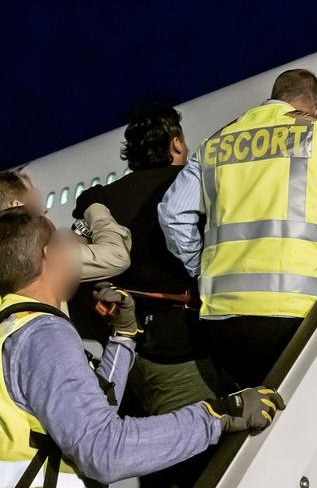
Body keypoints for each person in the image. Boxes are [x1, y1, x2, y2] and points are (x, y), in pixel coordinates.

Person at [0, 207, 285, 487]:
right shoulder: (42, 335)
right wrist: (216, 415)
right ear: (51, 256)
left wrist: (123, 336)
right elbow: (104, 451)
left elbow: (90, 414)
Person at [159, 69, 317, 388]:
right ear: (316, 106)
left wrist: (197, 266)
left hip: (220, 321)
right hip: (295, 313)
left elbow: (173, 213)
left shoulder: (214, 144)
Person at [71, 104, 226, 487]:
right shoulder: (188, 186)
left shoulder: (103, 200)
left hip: (127, 358)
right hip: (180, 355)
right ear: (175, 143)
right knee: (199, 461)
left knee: (151, 461)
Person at [0, 169, 132, 343]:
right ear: (17, 205)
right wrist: (95, 207)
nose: (44, 209)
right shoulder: (27, 251)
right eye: (34, 198)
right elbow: (116, 256)